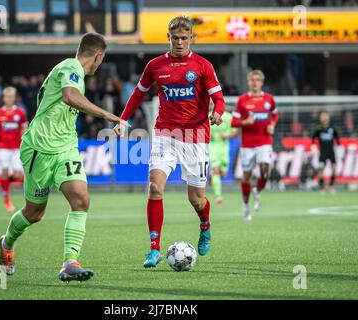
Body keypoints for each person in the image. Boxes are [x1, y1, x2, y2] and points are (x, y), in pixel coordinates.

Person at [0, 33, 128, 282]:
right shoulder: (70, 67)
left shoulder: (69, 71)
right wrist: (110, 116)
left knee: (81, 199)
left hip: (66, 147)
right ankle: (7, 243)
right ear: (99, 56)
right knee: (34, 213)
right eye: (102, 59)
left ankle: (70, 261)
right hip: (39, 148)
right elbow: (70, 97)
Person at [114, 16, 226, 267]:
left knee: (196, 199)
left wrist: (217, 112)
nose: (179, 42)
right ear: (168, 37)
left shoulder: (202, 65)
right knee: (155, 187)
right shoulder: (155, 65)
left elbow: (219, 98)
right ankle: (154, 249)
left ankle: (205, 224)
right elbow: (138, 94)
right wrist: (123, 119)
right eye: (175, 38)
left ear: (191, 38)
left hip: (196, 137)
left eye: (184, 38)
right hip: (165, 134)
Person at [231, 70, 278, 221]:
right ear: (248, 82)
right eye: (252, 80)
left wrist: (272, 124)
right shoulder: (242, 100)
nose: (255, 82)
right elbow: (234, 122)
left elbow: (275, 114)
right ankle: (245, 205)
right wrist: (245, 122)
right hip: (247, 144)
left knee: (265, 171)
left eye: (258, 80)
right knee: (247, 176)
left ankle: (257, 190)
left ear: (262, 82)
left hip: (264, 141)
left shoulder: (269, 99)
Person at [0, 87, 28, 213]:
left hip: (16, 148)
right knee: (4, 171)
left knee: (17, 175)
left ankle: (7, 183)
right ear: (4, 98)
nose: (9, 99)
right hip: (3, 148)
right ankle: (6, 200)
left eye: (11, 97)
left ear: (14, 98)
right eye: (7, 97)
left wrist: (23, 136)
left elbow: (25, 128)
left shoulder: (20, 113)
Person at [209, 111, 238, 205]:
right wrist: (208, 135)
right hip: (212, 146)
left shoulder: (229, 117)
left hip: (224, 147)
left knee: (223, 173)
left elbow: (235, 130)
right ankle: (218, 197)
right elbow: (202, 129)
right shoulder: (209, 115)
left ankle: (213, 177)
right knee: (216, 170)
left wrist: (227, 136)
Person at [311, 111, 340, 193]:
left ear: (328, 117)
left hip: (331, 151)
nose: (324, 117)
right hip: (322, 152)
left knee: (334, 168)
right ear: (320, 118)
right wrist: (313, 145)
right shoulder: (318, 128)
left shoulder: (333, 128)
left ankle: (331, 185)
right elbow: (313, 138)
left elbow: (337, 138)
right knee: (321, 170)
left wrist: (339, 146)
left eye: (325, 116)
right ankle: (321, 187)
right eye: (322, 116)